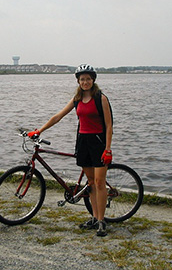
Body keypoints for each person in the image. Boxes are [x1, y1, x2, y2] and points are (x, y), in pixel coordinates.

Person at [27, 64, 113, 237]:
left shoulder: (100, 98)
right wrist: (39, 130)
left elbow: (110, 125)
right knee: (90, 182)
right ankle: (94, 218)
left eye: (88, 79)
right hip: (82, 141)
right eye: (82, 79)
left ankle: (102, 221)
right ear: (78, 81)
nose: (85, 82)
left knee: (99, 183)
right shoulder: (77, 99)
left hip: (98, 142)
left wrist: (108, 149)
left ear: (93, 80)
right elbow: (58, 116)